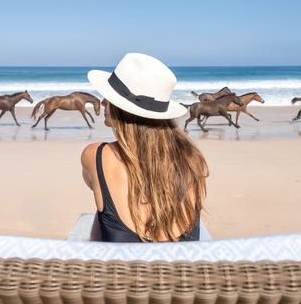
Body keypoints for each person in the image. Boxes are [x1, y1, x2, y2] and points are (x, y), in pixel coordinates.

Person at [81, 53, 208, 242]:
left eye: (108, 96)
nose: (102, 102)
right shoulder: (193, 160)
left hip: (119, 270)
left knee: (104, 211)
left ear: (121, 107)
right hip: (183, 271)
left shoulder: (96, 156)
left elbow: (95, 186)